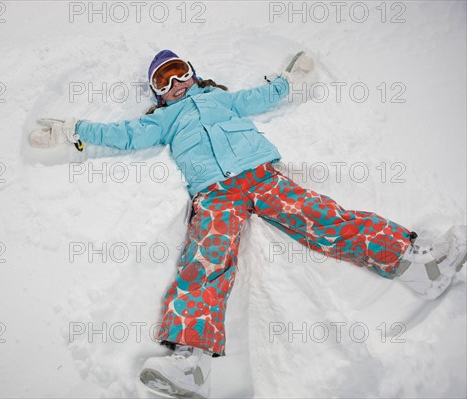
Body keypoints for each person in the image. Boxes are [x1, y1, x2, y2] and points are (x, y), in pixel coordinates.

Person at [29, 50, 467, 399]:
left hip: (262, 174)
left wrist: (290, 81)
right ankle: (191, 365)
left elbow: (262, 98)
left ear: (194, 73)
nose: (175, 83)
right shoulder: (161, 120)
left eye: (179, 71)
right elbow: (123, 134)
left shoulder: (222, 99)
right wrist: (73, 129)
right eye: (164, 80)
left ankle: (418, 266)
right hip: (215, 193)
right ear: (158, 94)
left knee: (327, 220)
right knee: (206, 261)